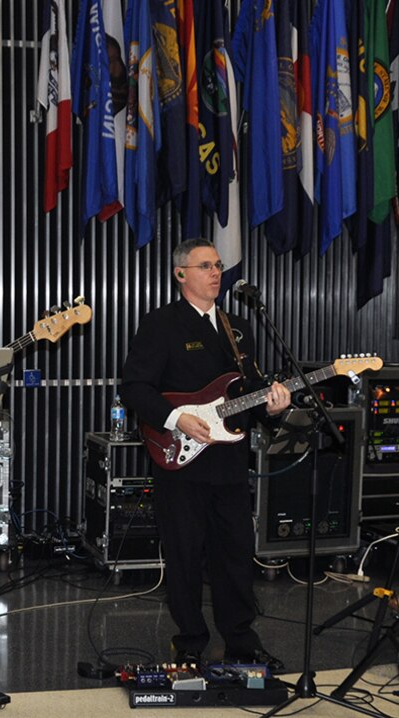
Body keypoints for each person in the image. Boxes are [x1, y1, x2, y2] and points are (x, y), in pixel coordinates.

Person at [120, 239, 290, 672]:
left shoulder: (239, 328)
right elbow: (135, 387)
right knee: (184, 556)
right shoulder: (161, 324)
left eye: (217, 265)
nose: (216, 272)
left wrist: (274, 407)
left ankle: (241, 640)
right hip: (180, 461)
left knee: (234, 554)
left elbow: (247, 394)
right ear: (181, 275)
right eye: (205, 266)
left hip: (230, 465)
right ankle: (190, 640)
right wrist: (176, 418)